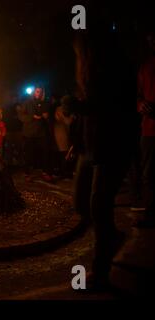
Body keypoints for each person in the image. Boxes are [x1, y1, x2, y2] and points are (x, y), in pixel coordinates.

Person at [72, 6, 139, 289]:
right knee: (81, 202)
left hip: (113, 144)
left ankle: (100, 274)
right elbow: (90, 104)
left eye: (84, 39)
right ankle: (111, 236)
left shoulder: (114, 63)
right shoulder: (88, 65)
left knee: (99, 205)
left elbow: (111, 105)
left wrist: (82, 106)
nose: (78, 47)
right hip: (92, 145)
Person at [136, 30, 155, 228]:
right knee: (148, 174)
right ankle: (150, 214)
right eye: (151, 39)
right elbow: (138, 95)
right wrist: (140, 105)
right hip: (149, 129)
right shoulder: (145, 66)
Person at [18, 87, 53, 182]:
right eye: (37, 91)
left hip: (41, 132)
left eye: (41, 92)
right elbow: (21, 116)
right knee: (28, 154)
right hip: (29, 133)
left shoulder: (46, 103)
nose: (39, 93)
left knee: (45, 152)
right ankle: (27, 173)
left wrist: (47, 117)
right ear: (34, 92)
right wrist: (32, 116)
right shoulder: (27, 103)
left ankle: (45, 172)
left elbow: (50, 118)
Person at [53, 95, 75, 178]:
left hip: (68, 135)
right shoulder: (58, 109)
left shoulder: (71, 110)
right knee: (63, 153)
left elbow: (68, 122)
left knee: (67, 153)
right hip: (60, 134)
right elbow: (67, 121)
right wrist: (67, 119)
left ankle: (67, 171)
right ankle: (63, 172)